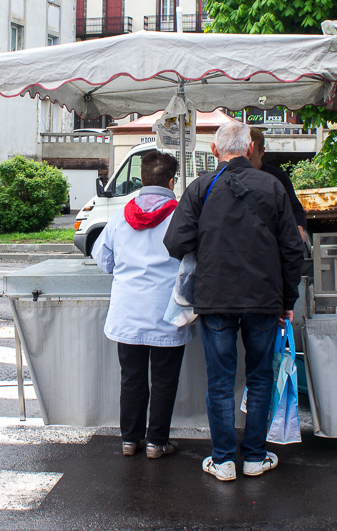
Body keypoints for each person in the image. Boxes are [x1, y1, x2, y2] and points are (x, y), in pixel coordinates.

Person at [163, 119, 304, 482]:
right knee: (260, 377)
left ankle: (223, 460)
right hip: (263, 299)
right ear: (251, 148)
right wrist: (288, 298)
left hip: (215, 298)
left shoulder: (200, 187)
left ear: (214, 151)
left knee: (221, 380)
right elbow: (292, 249)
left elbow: (175, 243)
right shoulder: (272, 186)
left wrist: (208, 242)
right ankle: (255, 456)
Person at [93, 150, 192, 460]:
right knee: (164, 379)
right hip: (167, 311)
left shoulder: (120, 216)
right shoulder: (182, 217)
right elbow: (192, 262)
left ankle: (129, 439)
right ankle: (156, 442)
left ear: (142, 179)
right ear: (172, 181)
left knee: (131, 377)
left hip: (128, 312)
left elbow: (104, 260)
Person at [247, 126, 308, 241]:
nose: (247, 163)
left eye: (251, 158)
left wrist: (299, 228)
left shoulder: (278, 177)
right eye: (244, 157)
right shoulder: (232, 177)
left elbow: (295, 208)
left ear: (262, 152)